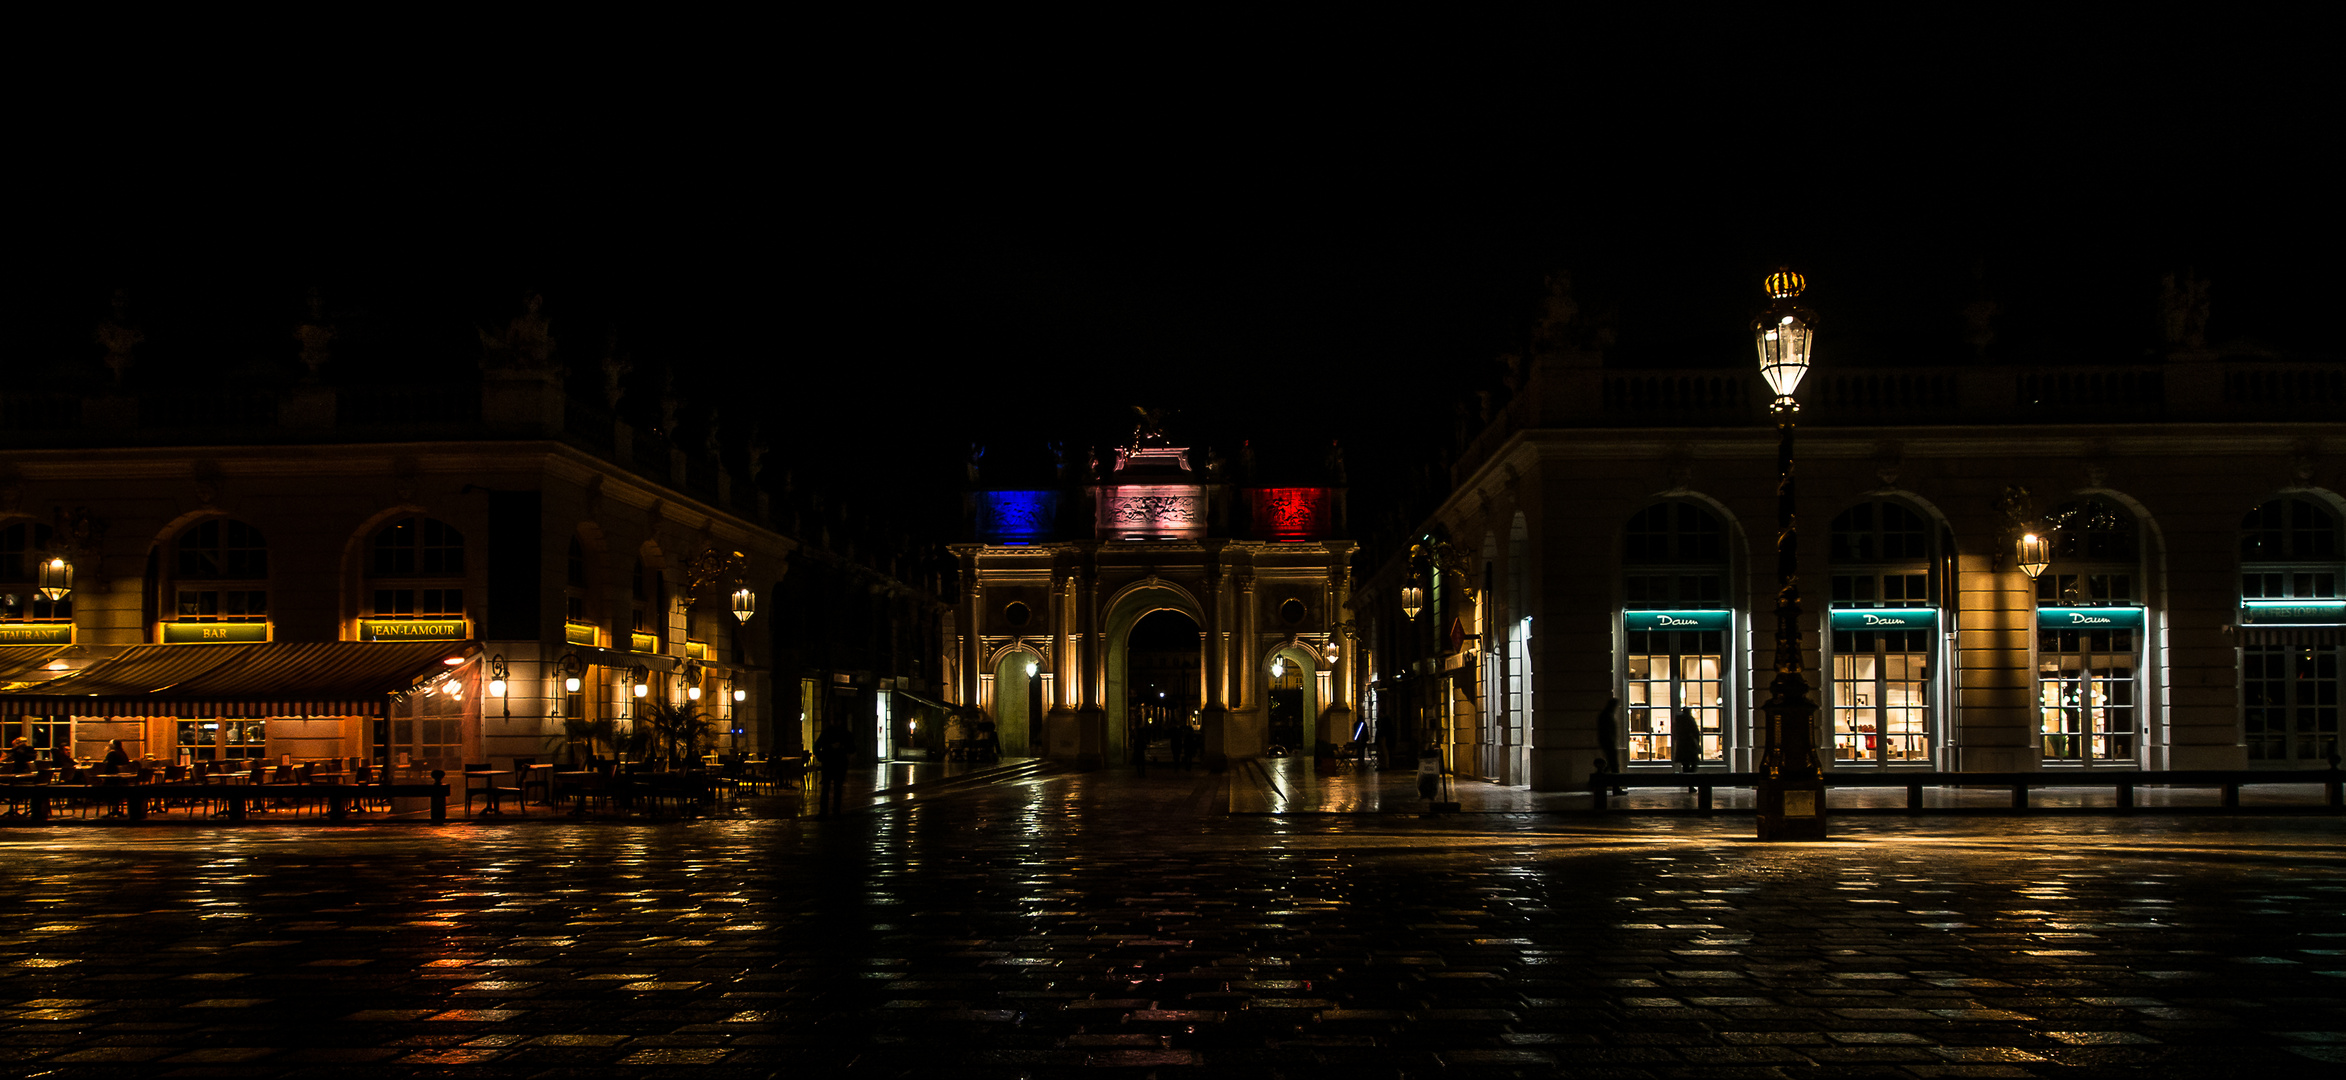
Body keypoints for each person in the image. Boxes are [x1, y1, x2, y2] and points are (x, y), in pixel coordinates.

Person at [812, 723, 853, 818]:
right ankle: (835, 811)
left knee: (826, 788)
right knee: (836, 788)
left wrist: (822, 757)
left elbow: (816, 747)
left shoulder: (827, 732)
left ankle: (824, 811)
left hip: (829, 764)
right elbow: (852, 748)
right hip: (838, 764)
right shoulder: (844, 733)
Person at [1594, 697, 1627, 795]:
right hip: (1609, 744)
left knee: (1610, 766)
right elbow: (1608, 732)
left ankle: (1596, 782)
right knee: (1614, 766)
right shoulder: (1607, 715)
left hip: (1608, 744)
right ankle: (1615, 788)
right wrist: (1611, 742)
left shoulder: (1605, 714)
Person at [1670, 709, 1701, 792]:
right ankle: (1689, 783)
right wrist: (1697, 743)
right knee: (1695, 762)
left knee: (1685, 765)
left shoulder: (1677, 722)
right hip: (1690, 746)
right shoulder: (1690, 720)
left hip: (1682, 746)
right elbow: (1696, 732)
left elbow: (1674, 735)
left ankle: (1687, 782)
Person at [1417, 741, 1443, 814]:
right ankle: (1429, 796)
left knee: (1426, 779)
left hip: (1426, 765)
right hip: (1430, 766)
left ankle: (1426, 796)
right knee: (1431, 780)